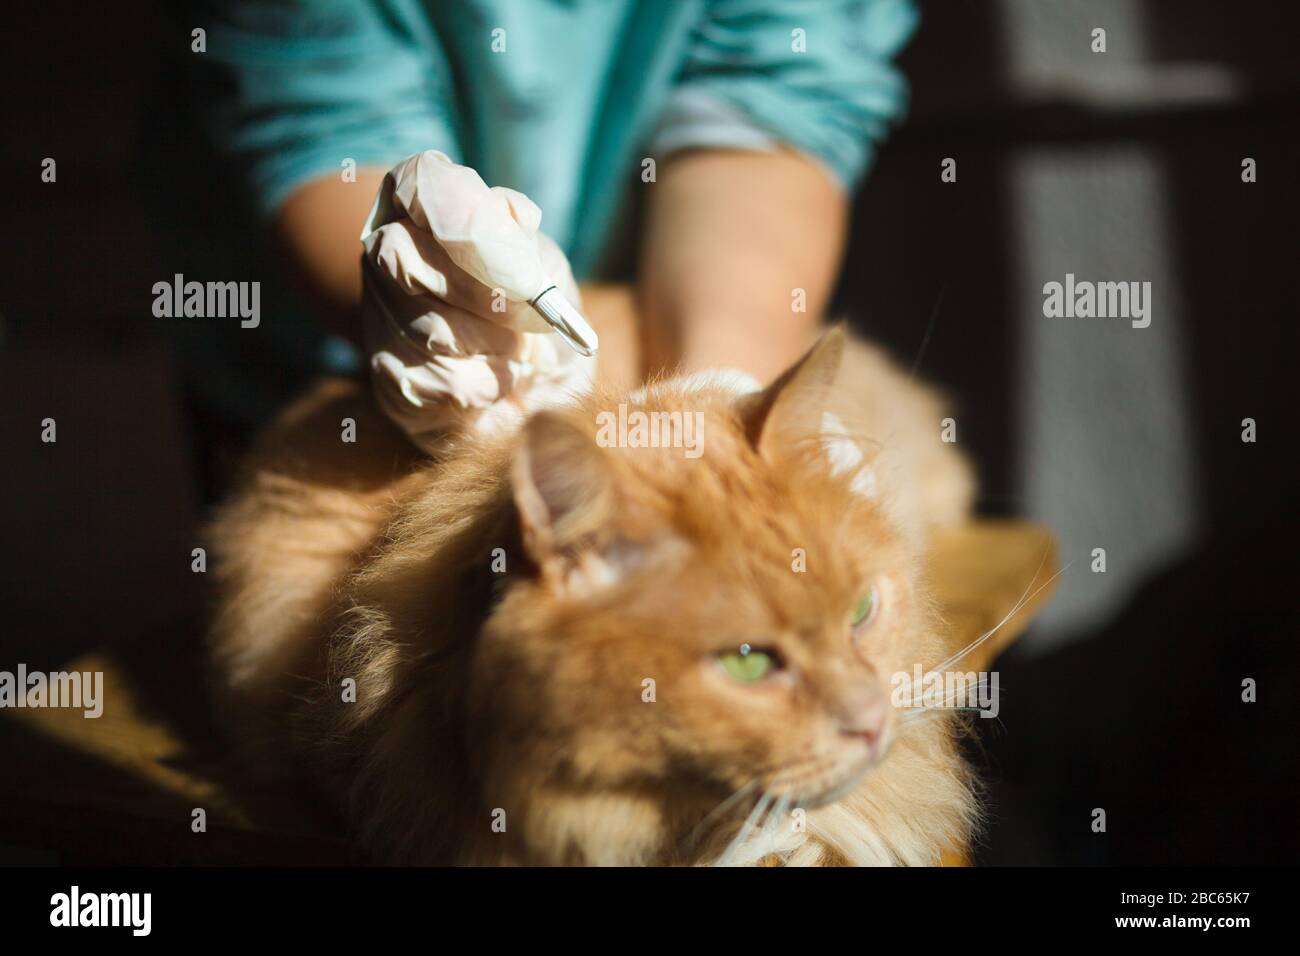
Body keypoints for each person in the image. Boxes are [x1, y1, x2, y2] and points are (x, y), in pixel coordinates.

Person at [189, 0, 918, 447]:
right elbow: (319, 106)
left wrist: (722, 392)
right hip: (311, 377)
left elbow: (780, 87)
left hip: (669, 316)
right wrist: (410, 300)